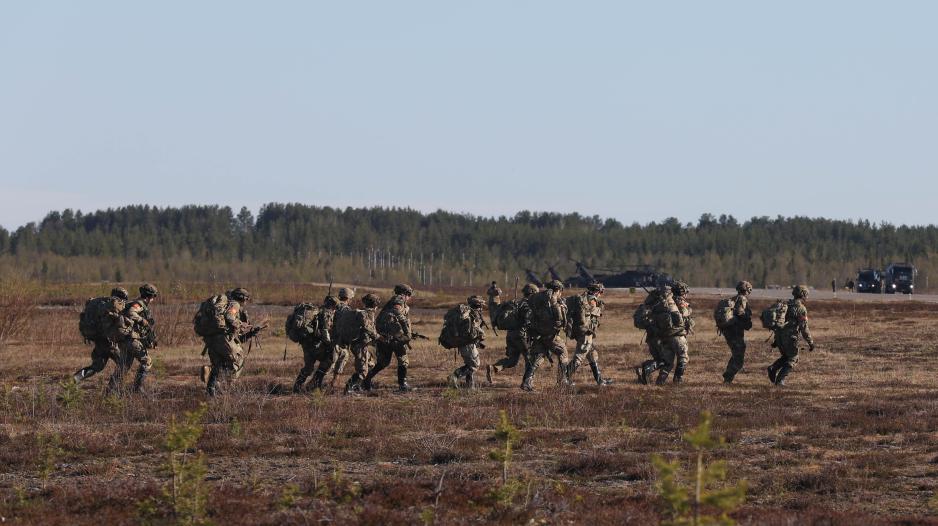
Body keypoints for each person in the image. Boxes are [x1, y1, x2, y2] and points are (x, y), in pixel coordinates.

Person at [202, 288, 265, 396]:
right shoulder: (235, 304)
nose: (246, 302)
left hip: (211, 339)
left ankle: (211, 390)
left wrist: (250, 333)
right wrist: (241, 324)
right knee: (237, 360)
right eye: (246, 299)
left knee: (219, 364)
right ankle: (225, 386)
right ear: (242, 298)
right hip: (223, 338)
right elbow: (229, 316)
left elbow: (238, 338)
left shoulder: (224, 307)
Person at [73, 287, 130, 391]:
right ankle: (111, 389)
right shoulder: (114, 304)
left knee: (97, 366)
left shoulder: (97, 302)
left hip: (98, 339)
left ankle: (76, 378)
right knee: (124, 364)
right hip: (108, 341)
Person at [362, 284, 417, 392]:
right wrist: (407, 332)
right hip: (394, 337)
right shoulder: (399, 300)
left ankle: (366, 380)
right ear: (405, 293)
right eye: (409, 294)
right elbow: (398, 314)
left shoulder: (393, 301)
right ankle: (403, 385)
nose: (409, 297)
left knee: (383, 362)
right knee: (403, 360)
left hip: (385, 336)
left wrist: (409, 332)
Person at [520, 280, 569, 391]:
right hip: (550, 335)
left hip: (537, 334)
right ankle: (562, 381)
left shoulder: (537, 297)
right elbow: (559, 319)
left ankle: (526, 382)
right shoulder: (553, 299)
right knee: (563, 352)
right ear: (558, 289)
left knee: (538, 357)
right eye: (561, 291)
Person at [486, 283, 537, 384]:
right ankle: (527, 382)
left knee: (513, 360)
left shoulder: (517, 302)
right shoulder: (527, 304)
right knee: (530, 358)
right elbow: (527, 319)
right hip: (521, 335)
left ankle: (494, 368)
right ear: (532, 293)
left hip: (511, 335)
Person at [114, 283, 160, 393]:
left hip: (125, 340)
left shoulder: (139, 303)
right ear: (149, 296)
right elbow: (131, 313)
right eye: (153, 296)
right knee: (147, 361)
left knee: (124, 367)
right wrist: (142, 321)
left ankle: (111, 390)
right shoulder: (138, 304)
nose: (153, 298)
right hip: (132, 340)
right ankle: (137, 388)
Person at [566, 282, 613, 386]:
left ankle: (599, 380)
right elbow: (595, 312)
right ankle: (564, 377)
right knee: (580, 355)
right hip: (585, 333)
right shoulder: (592, 300)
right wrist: (600, 308)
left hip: (581, 330)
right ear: (597, 291)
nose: (601, 294)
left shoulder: (583, 297)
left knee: (592, 354)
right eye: (601, 292)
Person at [768, 285, 816, 386]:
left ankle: (773, 368)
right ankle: (780, 380)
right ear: (803, 294)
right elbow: (804, 328)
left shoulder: (785, 304)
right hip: (789, 338)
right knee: (793, 358)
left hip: (779, 336)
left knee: (786, 356)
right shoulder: (801, 308)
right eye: (806, 294)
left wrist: (776, 340)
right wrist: (810, 342)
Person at [293, 296, 339, 392]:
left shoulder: (317, 311)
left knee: (308, 368)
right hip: (316, 345)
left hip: (306, 343)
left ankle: (297, 387)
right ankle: (315, 385)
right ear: (333, 305)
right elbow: (325, 330)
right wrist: (330, 344)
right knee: (329, 360)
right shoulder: (326, 313)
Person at [655, 281, 694, 385]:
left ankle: (660, 381)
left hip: (666, 335)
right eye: (686, 292)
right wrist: (689, 308)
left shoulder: (668, 300)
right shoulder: (679, 301)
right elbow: (684, 313)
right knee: (683, 357)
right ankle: (678, 380)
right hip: (677, 335)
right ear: (683, 292)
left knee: (668, 362)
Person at [343, 293, 381, 394]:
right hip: (360, 345)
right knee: (363, 370)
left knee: (370, 364)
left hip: (363, 344)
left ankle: (357, 386)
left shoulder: (365, 313)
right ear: (375, 304)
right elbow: (368, 328)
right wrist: (379, 337)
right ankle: (349, 389)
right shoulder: (366, 314)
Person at [447, 295, 487, 388]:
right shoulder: (473, 315)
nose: (482, 307)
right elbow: (476, 331)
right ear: (478, 305)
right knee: (474, 365)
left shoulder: (467, 313)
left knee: (470, 364)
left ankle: (470, 386)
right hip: (468, 344)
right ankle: (454, 376)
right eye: (481, 305)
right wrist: (482, 335)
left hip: (464, 343)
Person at [721, 281, 753, 384]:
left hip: (729, 331)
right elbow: (740, 312)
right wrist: (747, 319)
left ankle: (727, 378)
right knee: (739, 359)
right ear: (747, 289)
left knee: (736, 354)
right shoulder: (742, 299)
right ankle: (728, 377)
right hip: (735, 331)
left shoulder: (734, 298)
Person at [328, 287, 355, 386]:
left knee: (329, 364)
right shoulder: (346, 309)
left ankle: (319, 384)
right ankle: (334, 383)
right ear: (348, 298)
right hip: (339, 340)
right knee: (340, 359)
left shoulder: (333, 306)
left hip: (329, 338)